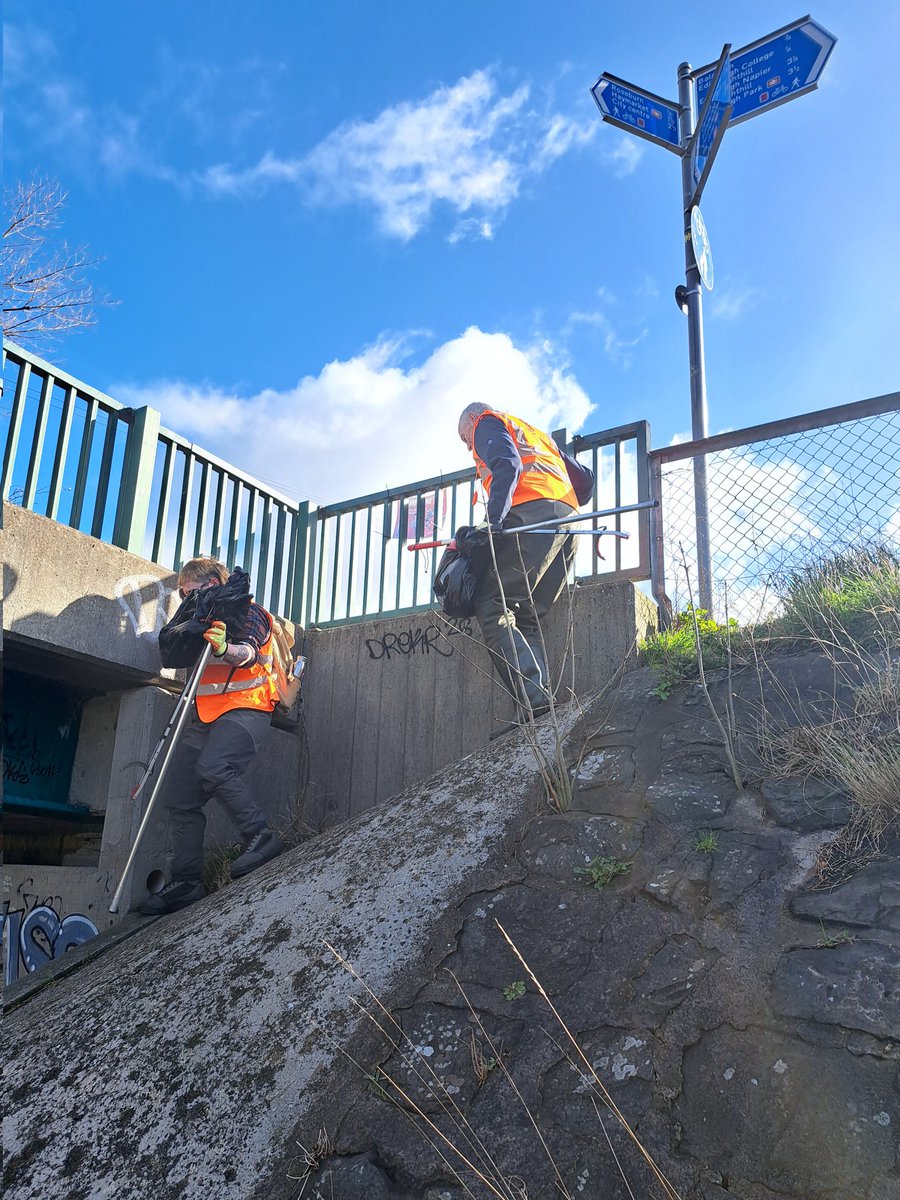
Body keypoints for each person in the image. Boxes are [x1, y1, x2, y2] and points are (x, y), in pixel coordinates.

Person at [139, 557, 286, 915]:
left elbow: (248, 653)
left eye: (194, 589)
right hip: (207, 715)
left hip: (248, 707)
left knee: (215, 766)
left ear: (214, 582)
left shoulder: (249, 613)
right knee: (180, 796)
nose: (188, 596)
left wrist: (224, 649)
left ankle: (260, 837)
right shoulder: (196, 618)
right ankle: (187, 882)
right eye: (184, 593)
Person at [457, 403, 594, 724]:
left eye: (465, 437)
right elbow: (585, 483)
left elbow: (506, 464)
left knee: (492, 603)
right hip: (569, 521)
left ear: (474, 419)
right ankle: (539, 702)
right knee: (524, 613)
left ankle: (534, 699)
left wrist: (493, 522)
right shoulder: (538, 437)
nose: (468, 446)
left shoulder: (487, 423)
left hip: (532, 516)